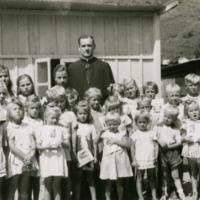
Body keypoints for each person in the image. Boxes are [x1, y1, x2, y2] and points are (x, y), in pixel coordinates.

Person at [94, 111, 133, 200]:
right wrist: (100, 132)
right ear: (106, 124)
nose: (112, 126)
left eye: (114, 124)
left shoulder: (122, 133)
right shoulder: (105, 134)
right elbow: (95, 142)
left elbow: (127, 145)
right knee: (109, 182)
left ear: (119, 124)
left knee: (119, 182)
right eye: (110, 124)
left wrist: (116, 141)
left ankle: (120, 198)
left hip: (120, 160)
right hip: (109, 160)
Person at [6, 98, 38, 200]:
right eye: (14, 109)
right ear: (9, 113)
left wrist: (31, 155)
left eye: (19, 108)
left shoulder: (28, 126)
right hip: (16, 160)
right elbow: (12, 146)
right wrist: (24, 157)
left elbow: (33, 143)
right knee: (12, 187)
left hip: (28, 160)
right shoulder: (9, 127)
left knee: (24, 187)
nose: (18, 110)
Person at [67, 35, 115, 102]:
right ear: (79, 48)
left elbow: (110, 91)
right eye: (83, 46)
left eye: (89, 45)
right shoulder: (72, 68)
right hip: (80, 108)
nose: (86, 48)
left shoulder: (104, 66)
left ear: (94, 46)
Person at [36, 107, 69, 200]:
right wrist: (46, 146)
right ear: (46, 117)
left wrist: (61, 143)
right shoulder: (41, 129)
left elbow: (67, 145)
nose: (54, 120)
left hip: (58, 158)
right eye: (52, 118)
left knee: (56, 184)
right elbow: (38, 146)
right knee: (47, 184)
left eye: (57, 118)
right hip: (47, 158)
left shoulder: (62, 129)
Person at [156, 105, 185, 200]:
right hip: (162, 153)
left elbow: (179, 142)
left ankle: (181, 193)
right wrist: (159, 140)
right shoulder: (158, 127)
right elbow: (153, 136)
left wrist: (170, 147)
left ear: (174, 119)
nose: (167, 119)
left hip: (173, 153)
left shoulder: (175, 129)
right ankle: (164, 193)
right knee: (164, 175)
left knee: (175, 175)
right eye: (165, 116)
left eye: (170, 118)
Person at [131, 111, 158, 200]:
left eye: (144, 122)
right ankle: (141, 197)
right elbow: (132, 148)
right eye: (140, 122)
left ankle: (154, 196)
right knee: (139, 178)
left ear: (148, 122)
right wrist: (134, 160)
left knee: (152, 178)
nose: (142, 124)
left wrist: (156, 156)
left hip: (150, 158)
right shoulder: (134, 134)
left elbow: (155, 145)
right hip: (140, 159)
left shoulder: (151, 133)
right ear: (136, 123)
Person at [73, 100, 97, 200]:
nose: (82, 116)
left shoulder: (91, 126)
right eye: (80, 113)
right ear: (76, 114)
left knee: (90, 178)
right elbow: (73, 142)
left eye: (85, 113)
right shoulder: (75, 126)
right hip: (79, 155)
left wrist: (95, 156)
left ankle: (94, 198)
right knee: (78, 179)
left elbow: (94, 142)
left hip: (89, 154)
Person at [23, 95, 43, 200]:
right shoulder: (25, 121)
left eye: (37, 108)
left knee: (36, 178)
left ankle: (36, 197)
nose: (35, 110)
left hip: (38, 152)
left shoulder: (40, 121)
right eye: (32, 108)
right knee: (27, 179)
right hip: (28, 151)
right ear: (27, 108)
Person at [181, 100, 200, 200]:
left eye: (196, 110)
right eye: (191, 110)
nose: (194, 112)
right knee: (193, 171)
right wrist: (185, 138)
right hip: (191, 147)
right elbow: (182, 135)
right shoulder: (186, 123)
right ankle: (195, 191)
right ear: (187, 113)